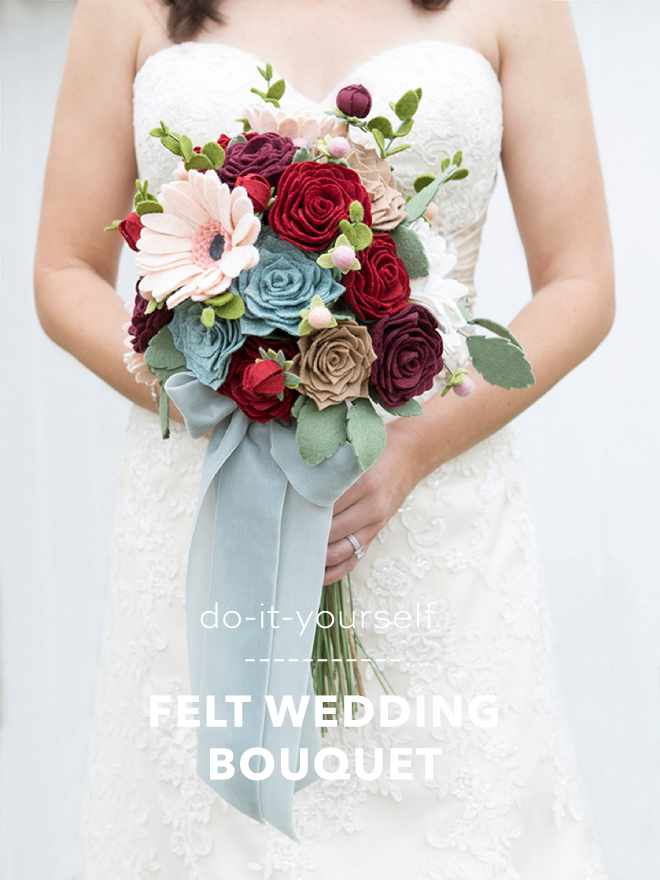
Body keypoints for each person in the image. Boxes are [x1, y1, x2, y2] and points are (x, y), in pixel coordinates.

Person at [34, 0, 615, 876]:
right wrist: (218, 394)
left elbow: (580, 282)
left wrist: (413, 451)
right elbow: (62, 269)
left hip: (432, 522)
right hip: (205, 495)